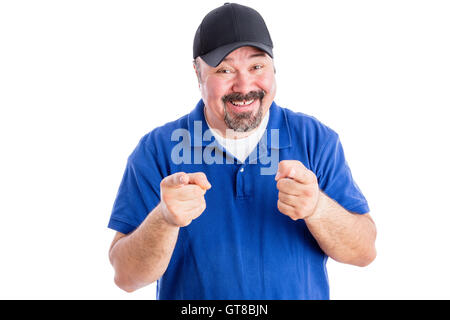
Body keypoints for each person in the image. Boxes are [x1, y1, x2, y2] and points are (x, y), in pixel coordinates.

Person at [107, 3, 377, 300]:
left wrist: (317, 208)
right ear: (198, 73)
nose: (244, 85)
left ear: (274, 67)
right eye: (224, 69)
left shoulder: (316, 140)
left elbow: (364, 252)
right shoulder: (157, 150)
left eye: (256, 67)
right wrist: (164, 219)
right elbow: (126, 277)